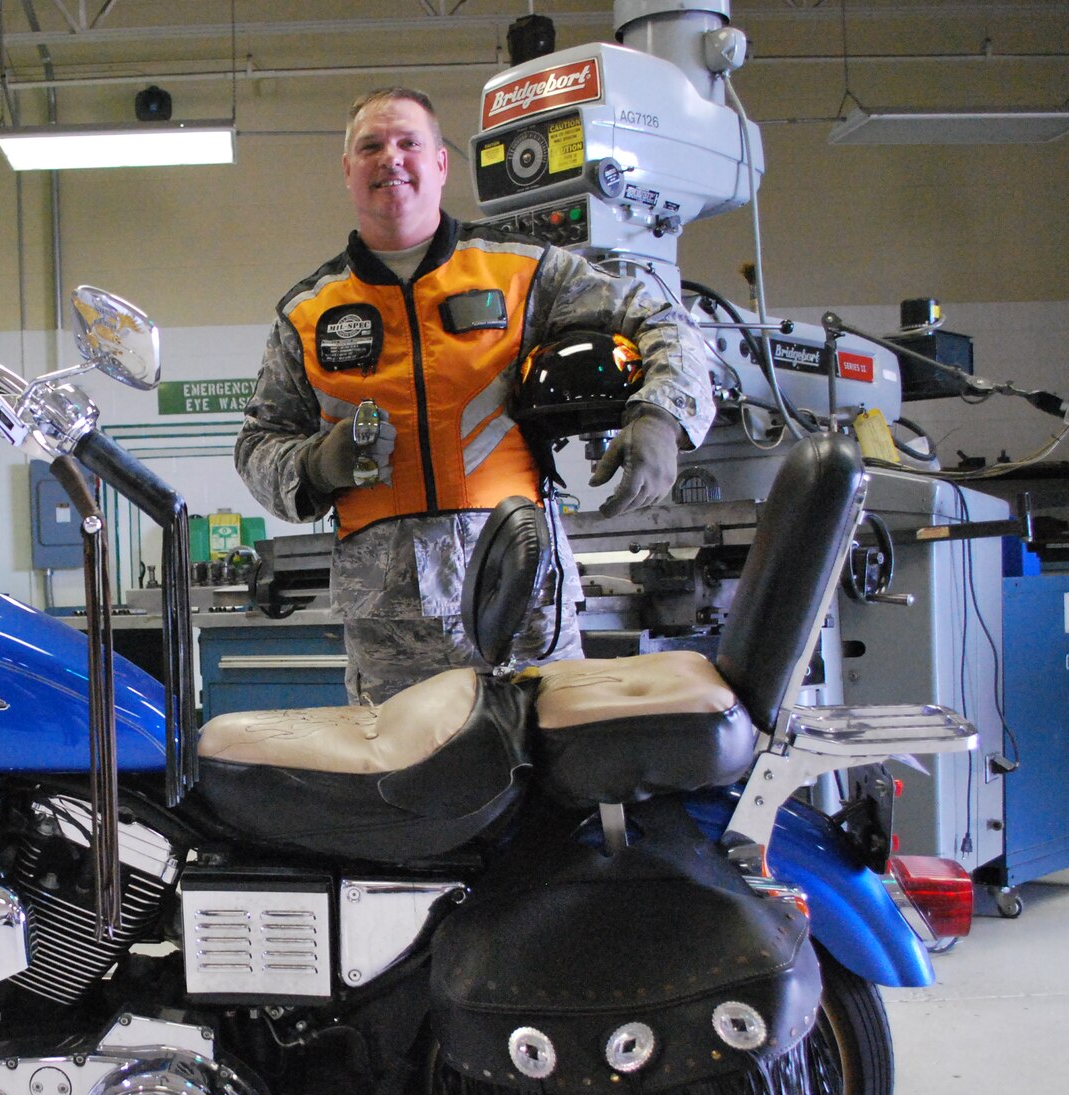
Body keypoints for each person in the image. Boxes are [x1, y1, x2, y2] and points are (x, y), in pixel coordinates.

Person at [235, 86, 715, 703]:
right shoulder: (308, 312)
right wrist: (314, 464)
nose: (391, 158)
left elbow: (663, 316)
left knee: (548, 782)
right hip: (391, 630)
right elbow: (257, 444)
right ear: (349, 170)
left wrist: (660, 417)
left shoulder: (523, 273)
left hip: (524, 591)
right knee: (409, 789)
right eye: (371, 146)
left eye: (410, 143)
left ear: (439, 164)